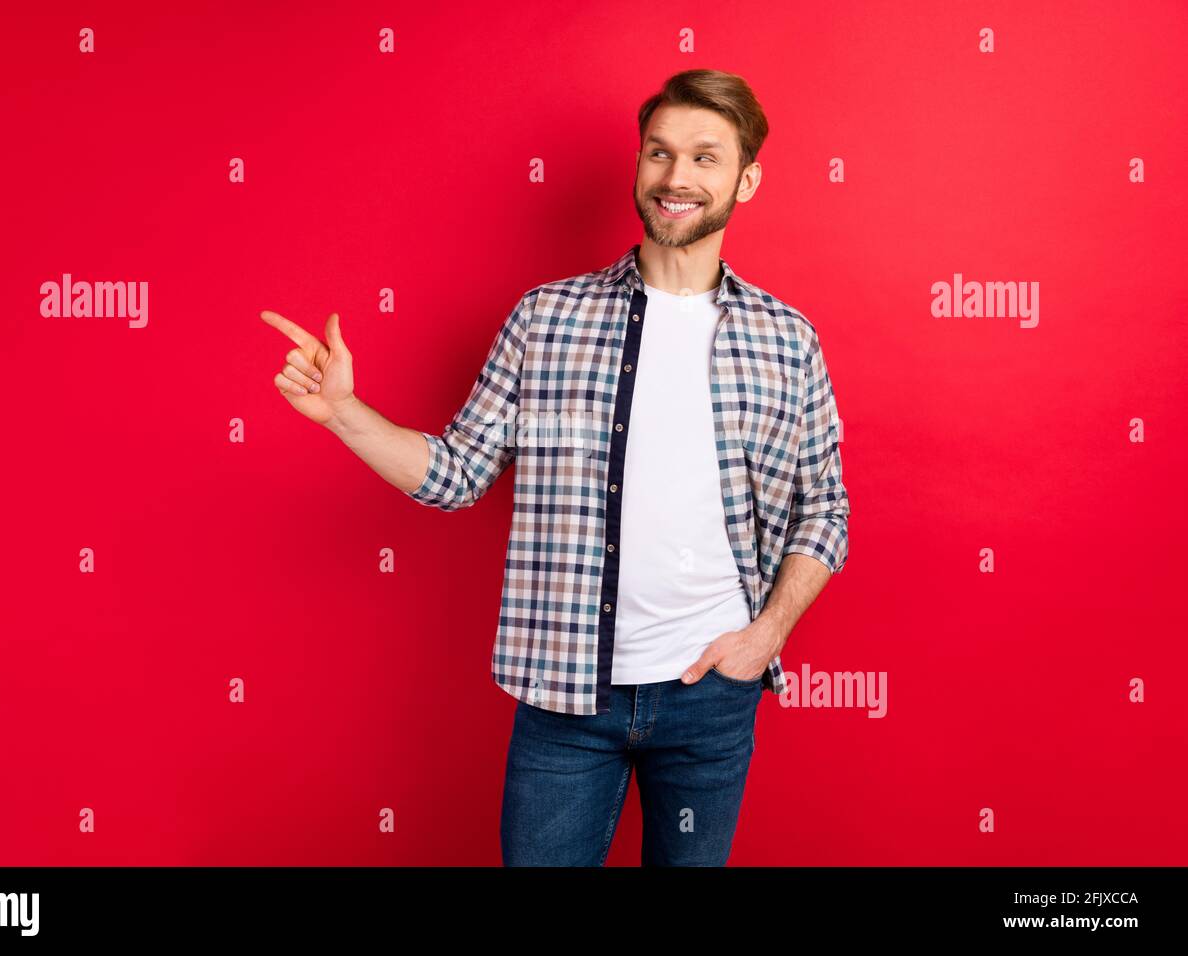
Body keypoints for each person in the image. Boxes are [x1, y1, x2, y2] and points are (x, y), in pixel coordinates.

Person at [261, 68, 850, 866]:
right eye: (659, 153)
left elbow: (827, 511)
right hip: (565, 694)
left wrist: (764, 637)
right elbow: (456, 472)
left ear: (746, 178)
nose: (676, 178)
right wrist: (344, 416)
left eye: (705, 158)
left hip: (714, 697)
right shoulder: (548, 318)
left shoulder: (789, 340)